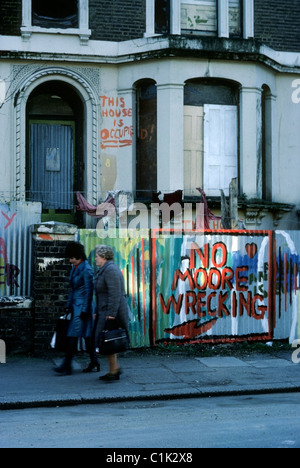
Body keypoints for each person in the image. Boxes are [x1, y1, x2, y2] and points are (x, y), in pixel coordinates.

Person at [54, 241, 99, 375]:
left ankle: (67, 365)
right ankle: (94, 361)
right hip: (77, 307)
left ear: (78, 256)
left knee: (73, 334)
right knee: (86, 336)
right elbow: (73, 289)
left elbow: (89, 291)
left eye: (71, 257)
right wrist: (68, 305)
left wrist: (85, 310)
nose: (69, 260)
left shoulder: (86, 269)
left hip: (83, 308)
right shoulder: (76, 267)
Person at [94, 244, 129, 381]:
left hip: (111, 311)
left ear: (103, 256)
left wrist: (112, 314)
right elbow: (101, 294)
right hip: (104, 310)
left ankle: (114, 370)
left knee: (109, 340)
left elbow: (115, 294)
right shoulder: (104, 270)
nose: (95, 259)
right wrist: (97, 311)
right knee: (108, 341)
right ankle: (114, 369)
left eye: (97, 256)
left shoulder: (111, 270)